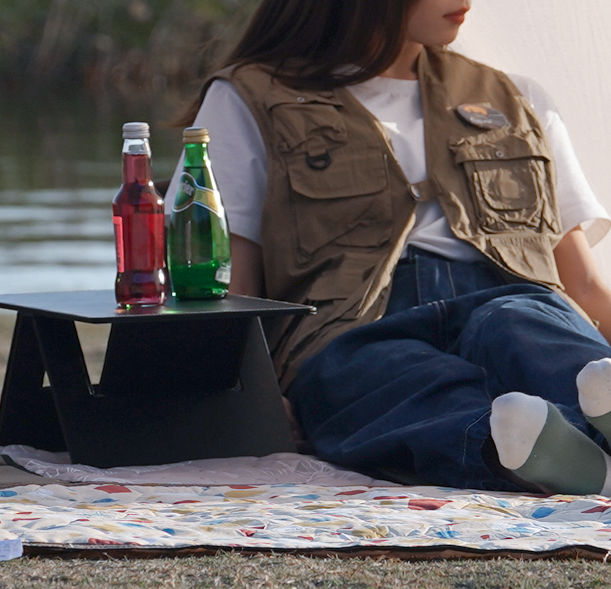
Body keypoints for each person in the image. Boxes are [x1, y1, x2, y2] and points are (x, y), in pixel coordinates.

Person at [166, 0, 611, 494]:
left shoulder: (514, 97)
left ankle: (579, 447)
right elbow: (231, 279)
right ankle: (537, 449)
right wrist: (252, 391)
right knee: (395, 383)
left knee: (531, 330)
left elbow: (584, 284)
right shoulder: (249, 98)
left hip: (511, 297)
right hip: (355, 330)